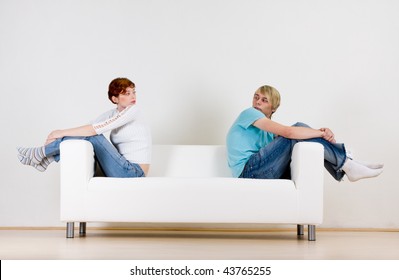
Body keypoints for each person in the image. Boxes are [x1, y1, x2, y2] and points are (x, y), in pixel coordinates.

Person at [226, 85, 383, 182]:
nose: (257, 102)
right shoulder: (249, 113)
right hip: (248, 172)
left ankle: (347, 163)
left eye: (264, 100)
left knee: (300, 133)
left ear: (273, 108)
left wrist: (318, 132)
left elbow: (293, 135)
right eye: (256, 97)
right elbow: (289, 132)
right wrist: (320, 133)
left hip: (261, 171)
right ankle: (347, 163)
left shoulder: (268, 133)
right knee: (295, 131)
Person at [17, 77, 151, 178]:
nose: (133, 96)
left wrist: (59, 133)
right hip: (120, 167)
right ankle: (45, 158)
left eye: (133, 92)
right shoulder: (113, 114)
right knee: (88, 134)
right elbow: (89, 127)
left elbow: (93, 131)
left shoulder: (134, 111)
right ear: (115, 99)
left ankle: (42, 154)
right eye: (127, 93)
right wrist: (59, 136)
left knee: (94, 136)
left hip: (133, 172)